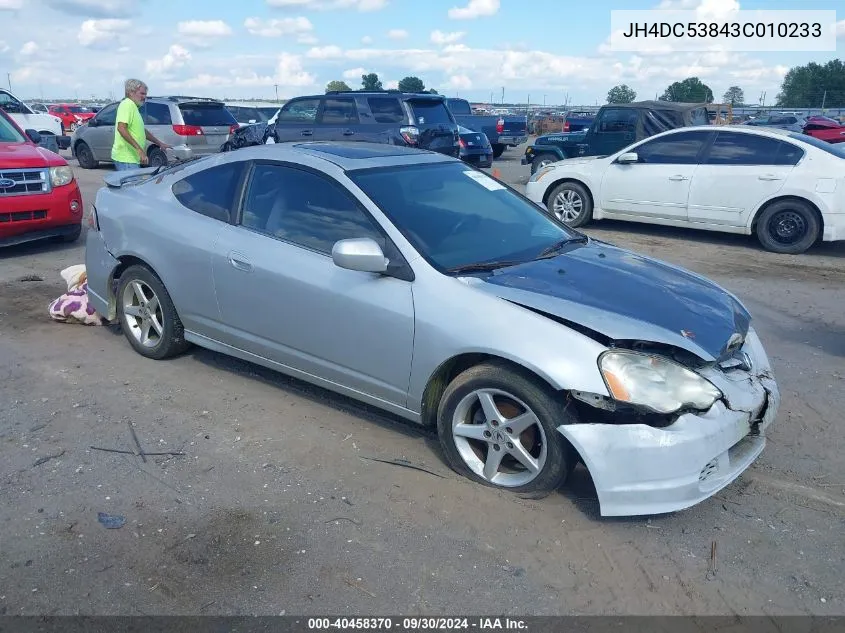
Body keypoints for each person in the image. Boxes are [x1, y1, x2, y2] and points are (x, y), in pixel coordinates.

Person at [111, 78, 171, 171]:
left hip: (132, 159)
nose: (144, 97)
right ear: (131, 92)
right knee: (132, 185)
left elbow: (142, 131)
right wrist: (139, 150)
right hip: (126, 158)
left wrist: (159, 143)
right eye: (142, 93)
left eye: (145, 94)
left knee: (134, 185)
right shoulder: (127, 105)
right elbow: (121, 128)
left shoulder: (134, 107)